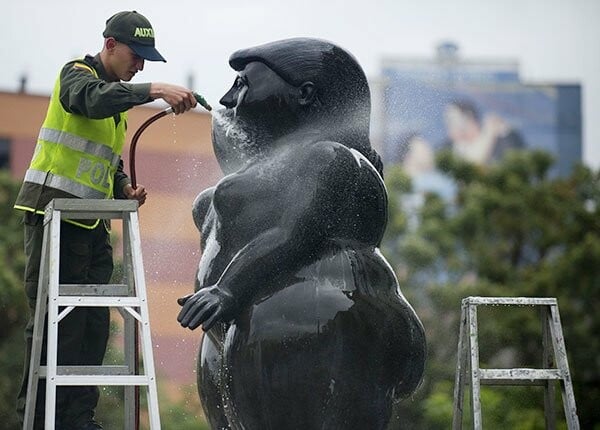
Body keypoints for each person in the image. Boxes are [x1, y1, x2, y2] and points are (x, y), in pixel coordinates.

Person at [177, 38, 425, 429]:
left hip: (317, 337)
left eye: (243, 85)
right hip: (236, 346)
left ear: (305, 94)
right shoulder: (273, 172)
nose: (227, 99)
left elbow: (296, 233)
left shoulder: (330, 159)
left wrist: (227, 290)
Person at [13, 10, 197, 429]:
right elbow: (88, 101)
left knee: (93, 327)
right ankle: (42, 419)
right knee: (51, 325)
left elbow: (105, 160)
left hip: (91, 224)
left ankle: (79, 420)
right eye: (137, 55)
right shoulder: (76, 76)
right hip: (52, 218)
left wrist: (123, 188)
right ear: (110, 45)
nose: (141, 66)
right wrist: (154, 90)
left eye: (147, 61)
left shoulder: (115, 100)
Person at [441, 99, 525, 164]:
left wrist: (490, 131)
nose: (449, 127)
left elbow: (474, 164)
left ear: (469, 118)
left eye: (452, 121)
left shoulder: (503, 140)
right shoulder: (447, 148)